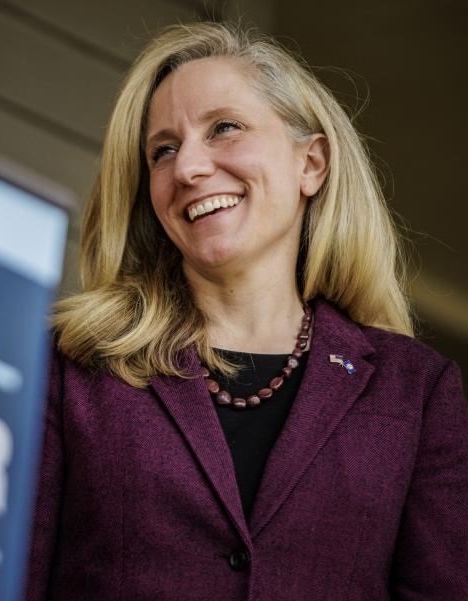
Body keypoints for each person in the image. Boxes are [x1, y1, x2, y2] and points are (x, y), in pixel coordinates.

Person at [25, 22, 468, 600]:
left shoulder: (417, 392)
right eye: (163, 150)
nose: (187, 169)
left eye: (224, 128)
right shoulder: (72, 368)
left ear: (311, 164)